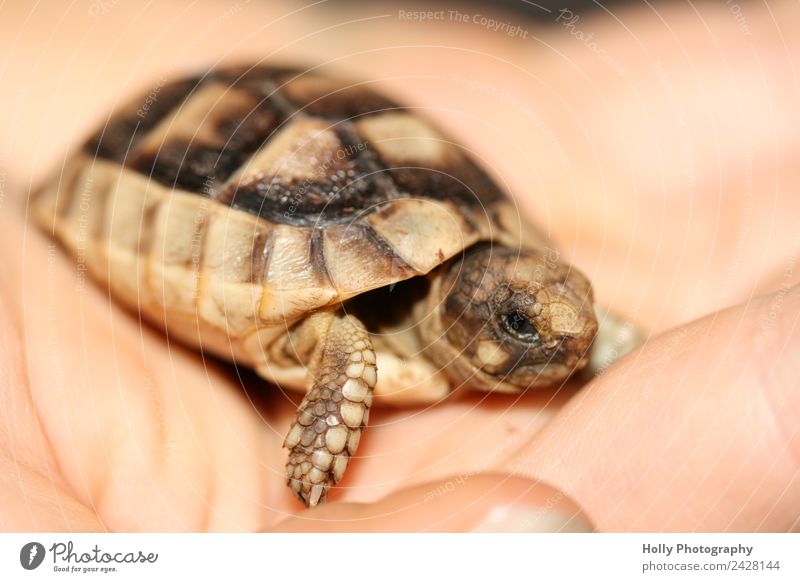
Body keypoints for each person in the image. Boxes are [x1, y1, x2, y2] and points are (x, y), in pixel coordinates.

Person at [0, 0, 797, 531]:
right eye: (517, 328)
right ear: (458, 314)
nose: (559, 342)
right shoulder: (345, 340)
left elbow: (568, 322)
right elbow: (341, 339)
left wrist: (615, 347)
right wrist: (323, 436)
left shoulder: (501, 273)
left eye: (562, 319)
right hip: (166, 154)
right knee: (343, 339)